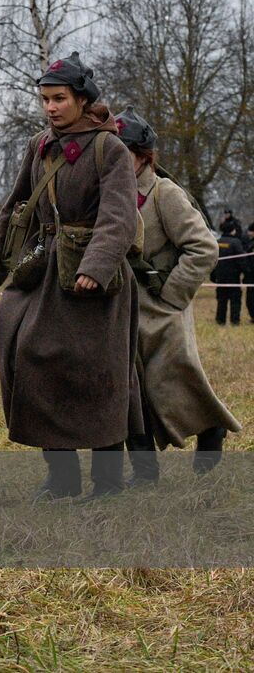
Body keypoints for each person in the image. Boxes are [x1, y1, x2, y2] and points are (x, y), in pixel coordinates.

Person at [0, 52, 140, 501]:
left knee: (99, 376)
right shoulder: (38, 145)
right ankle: (62, 476)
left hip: (96, 285)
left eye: (59, 98)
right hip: (45, 272)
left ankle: (107, 481)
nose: (50, 107)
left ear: (82, 99)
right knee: (31, 359)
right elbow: (17, 206)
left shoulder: (111, 149)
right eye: (45, 99)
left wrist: (96, 266)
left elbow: (119, 217)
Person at [116, 109, 239, 483]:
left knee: (174, 385)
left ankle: (210, 429)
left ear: (143, 156)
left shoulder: (164, 193)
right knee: (128, 393)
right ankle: (144, 470)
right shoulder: (110, 195)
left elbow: (203, 248)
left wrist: (172, 296)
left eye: (126, 154)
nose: (118, 162)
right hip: (121, 309)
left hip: (162, 308)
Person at [212, 218, 245, 326]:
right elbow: (242, 259)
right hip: (233, 277)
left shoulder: (217, 242)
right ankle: (235, 321)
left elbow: (212, 260)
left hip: (220, 277)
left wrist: (213, 275)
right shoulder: (236, 242)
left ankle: (220, 320)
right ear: (233, 230)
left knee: (221, 300)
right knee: (235, 300)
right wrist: (245, 272)